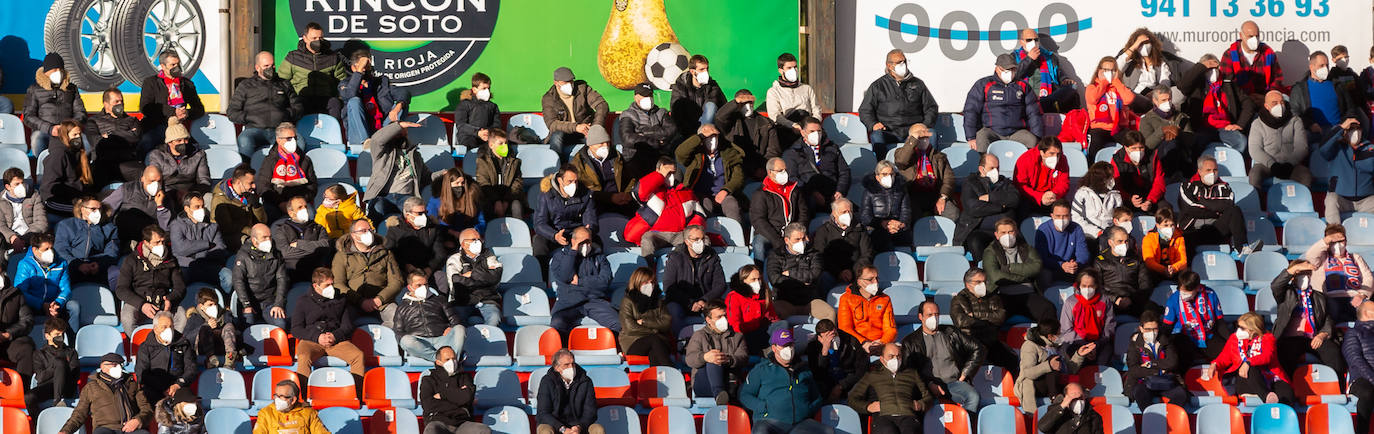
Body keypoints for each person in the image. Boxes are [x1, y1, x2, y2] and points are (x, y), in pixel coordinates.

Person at [739, 329, 831, 434]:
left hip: (800, 423)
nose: (788, 349)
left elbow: (816, 397)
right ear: (774, 348)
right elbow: (745, 395)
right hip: (770, 421)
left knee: (828, 431)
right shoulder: (762, 370)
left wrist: (808, 409)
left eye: (791, 345)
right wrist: (763, 407)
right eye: (784, 345)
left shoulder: (804, 369)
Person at [898, 301, 984, 409]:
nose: (934, 318)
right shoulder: (910, 341)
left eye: (936, 314)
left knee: (973, 396)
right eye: (929, 315)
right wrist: (928, 384)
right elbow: (908, 370)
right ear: (921, 317)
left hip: (954, 383)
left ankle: (965, 424)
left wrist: (965, 373)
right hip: (925, 386)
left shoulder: (951, 332)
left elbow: (978, 348)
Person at [1270, 259, 1346, 377]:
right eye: (1301, 274)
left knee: (1333, 352)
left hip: (1313, 337)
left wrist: (1322, 335)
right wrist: (1294, 268)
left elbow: (1327, 319)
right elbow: (1276, 285)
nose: (1305, 278)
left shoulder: (1318, 297)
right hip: (1290, 338)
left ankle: (1337, 387)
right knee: (1286, 355)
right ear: (1293, 276)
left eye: (1307, 275)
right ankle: (1288, 389)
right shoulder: (1286, 293)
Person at [858, 49, 938, 157]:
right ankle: (883, 169)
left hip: (913, 130)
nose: (903, 65)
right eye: (899, 62)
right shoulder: (877, 86)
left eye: (904, 61)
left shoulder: (918, 84)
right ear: (889, 65)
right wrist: (873, 124)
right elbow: (865, 110)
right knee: (876, 136)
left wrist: (924, 125)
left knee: (931, 134)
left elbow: (931, 107)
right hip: (888, 131)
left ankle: (927, 169)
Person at [1178, 155, 1263, 255]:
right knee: (1185, 241)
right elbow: (1190, 208)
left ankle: (1242, 249)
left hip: (1216, 230)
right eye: (1208, 170)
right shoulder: (1187, 187)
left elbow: (1229, 204)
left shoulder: (1224, 187)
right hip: (1193, 230)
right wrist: (1216, 210)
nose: (1212, 173)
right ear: (1200, 171)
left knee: (1234, 210)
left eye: (1215, 170)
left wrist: (1202, 201)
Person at [1206, 312, 1295, 404]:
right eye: (1238, 326)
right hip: (1247, 379)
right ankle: (1267, 397)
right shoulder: (1234, 339)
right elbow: (1224, 357)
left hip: (1272, 377)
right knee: (1249, 368)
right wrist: (1215, 364)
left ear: (1253, 330)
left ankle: (1284, 414)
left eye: (1242, 328)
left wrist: (1249, 362)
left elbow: (1267, 356)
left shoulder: (1268, 338)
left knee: (1287, 395)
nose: (1238, 330)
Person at [292, 267, 365, 378]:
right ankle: (302, 393)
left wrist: (335, 336)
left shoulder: (341, 300)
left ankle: (357, 393)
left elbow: (348, 326)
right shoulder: (303, 301)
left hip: (336, 341)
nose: (331, 288)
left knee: (358, 356)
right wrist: (317, 337)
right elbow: (296, 329)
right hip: (311, 341)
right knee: (303, 356)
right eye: (327, 285)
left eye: (332, 284)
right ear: (315, 285)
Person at [982, 217, 1057, 324]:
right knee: (992, 316)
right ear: (997, 235)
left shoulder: (1026, 248)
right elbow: (996, 277)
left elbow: (1037, 266)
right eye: (1003, 232)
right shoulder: (990, 251)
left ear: (1016, 232)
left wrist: (1009, 268)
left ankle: (1048, 338)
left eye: (1010, 231)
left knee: (1048, 308)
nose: (1007, 235)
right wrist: (1025, 277)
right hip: (1003, 295)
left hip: (1028, 293)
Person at [625, 158, 706, 255]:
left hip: (680, 234)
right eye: (668, 173)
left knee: (701, 241)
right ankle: (648, 268)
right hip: (656, 234)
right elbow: (639, 192)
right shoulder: (652, 191)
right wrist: (659, 176)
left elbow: (699, 214)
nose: (671, 177)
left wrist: (692, 231)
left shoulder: (686, 192)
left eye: (673, 173)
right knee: (647, 239)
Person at [228, 52, 303, 156]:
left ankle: (291, 171)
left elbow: (298, 107)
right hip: (254, 130)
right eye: (266, 66)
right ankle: (248, 170)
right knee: (244, 140)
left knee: (299, 142)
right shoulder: (246, 85)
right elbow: (232, 112)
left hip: (280, 130)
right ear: (257, 67)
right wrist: (250, 117)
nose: (270, 68)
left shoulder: (284, 84)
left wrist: (285, 115)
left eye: (272, 65)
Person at [847, 343, 934, 434]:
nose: (895, 360)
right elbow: (852, 399)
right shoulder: (872, 375)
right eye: (891, 356)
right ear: (882, 359)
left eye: (898, 356)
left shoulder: (912, 373)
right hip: (883, 416)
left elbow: (928, 397)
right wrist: (868, 407)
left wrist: (921, 404)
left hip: (908, 415)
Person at [57, 353, 152, 434]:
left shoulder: (131, 383)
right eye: (114, 365)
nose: (118, 367)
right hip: (105, 429)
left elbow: (147, 409)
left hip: (130, 428)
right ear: (103, 367)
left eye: (120, 364)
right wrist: (66, 431)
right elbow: (79, 414)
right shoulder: (91, 387)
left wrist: (138, 420)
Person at [331, 219, 402, 326]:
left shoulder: (386, 253)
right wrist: (360, 301)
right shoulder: (342, 256)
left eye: (370, 230)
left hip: (382, 302)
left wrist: (380, 299)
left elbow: (397, 281)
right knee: (342, 321)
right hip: (352, 302)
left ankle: (387, 340)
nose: (368, 233)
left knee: (398, 319)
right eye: (363, 230)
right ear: (353, 235)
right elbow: (338, 284)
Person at [116, 226, 185, 332]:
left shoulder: (171, 260)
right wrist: (142, 304)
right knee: (127, 318)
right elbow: (121, 289)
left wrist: (170, 299)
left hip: (162, 302)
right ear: (146, 243)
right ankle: (138, 345)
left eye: (163, 242)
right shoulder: (132, 260)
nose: (161, 246)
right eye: (156, 242)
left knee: (182, 317)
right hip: (138, 302)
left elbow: (180, 287)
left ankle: (172, 345)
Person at [1180, 54, 1256, 151]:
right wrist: (1202, 66)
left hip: (1225, 127)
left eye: (1215, 68)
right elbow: (1183, 86)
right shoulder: (1197, 84)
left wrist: (1240, 124)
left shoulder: (1228, 82)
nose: (1212, 71)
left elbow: (1248, 103)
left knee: (1241, 142)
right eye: (1209, 68)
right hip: (1203, 128)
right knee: (1195, 145)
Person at [550, 227, 619, 332]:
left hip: (594, 301)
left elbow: (604, 282)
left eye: (589, 241)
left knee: (618, 323)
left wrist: (579, 282)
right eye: (582, 242)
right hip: (569, 303)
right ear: (573, 241)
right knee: (557, 323)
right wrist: (573, 252)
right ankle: (563, 348)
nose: (586, 245)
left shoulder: (600, 257)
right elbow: (565, 277)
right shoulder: (560, 257)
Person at [360, 121, 431, 219]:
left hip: (406, 197)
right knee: (377, 208)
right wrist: (400, 125)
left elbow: (427, 177)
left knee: (416, 213)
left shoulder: (415, 155)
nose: (401, 135)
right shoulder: (382, 152)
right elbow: (376, 140)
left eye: (404, 133)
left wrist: (444, 174)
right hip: (383, 196)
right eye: (398, 133)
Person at [1302, 224, 1373, 323]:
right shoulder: (1322, 258)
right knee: (1331, 309)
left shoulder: (1355, 257)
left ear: (1346, 241)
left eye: (1341, 241)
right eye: (1333, 242)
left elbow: (1368, 278)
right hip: (1329, 298)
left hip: (1355, 296)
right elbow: (1310, 255)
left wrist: (1362, 295)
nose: (1338, 244)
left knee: (1368, 309)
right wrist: (1326, 240)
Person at [662, 225, 726, 333]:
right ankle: (677, 344)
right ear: (687, 241)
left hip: (706, 301)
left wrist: (704, 300)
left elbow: (720, 284)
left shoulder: (712, 257)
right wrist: (690, 303)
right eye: (696, 239)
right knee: (672, 310)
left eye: (702, 239)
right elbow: (669, 287)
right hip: (682, 302)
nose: (700, 242)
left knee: (721, 311)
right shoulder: (675, 258)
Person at [1016, 320, 1090, 413]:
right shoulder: (1030, 345)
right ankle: (1054, 397)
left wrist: (1079, 355)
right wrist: (1048, 366)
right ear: (1050, 336)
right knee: (1053, 360)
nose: (1061, 336)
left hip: (1055, 382)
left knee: (1055, 362)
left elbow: (1070, 370)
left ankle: (1064, 398)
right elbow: (1027, 373)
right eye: (1059, 333)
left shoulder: (1057, 347)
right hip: (1036, 385)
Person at [767, 223, 835, 323]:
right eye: (797, 239)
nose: (801, 242)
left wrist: (790, 273)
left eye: (803, 239)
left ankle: (829, 338)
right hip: (785, 300)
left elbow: (815, 275)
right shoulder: (776, 255)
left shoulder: (814, 254)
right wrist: (803, 282)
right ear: (787, 240)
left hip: (810, 301)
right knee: (773, 314)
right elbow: (775, 279)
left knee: (830, 313)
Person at [139, 51, 205, 153]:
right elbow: (145, 108)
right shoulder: (151, 82)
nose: (176, 67)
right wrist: (173, 112)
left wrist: (186, 113)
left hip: (180, 126)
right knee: (146, 143)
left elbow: (199, 109)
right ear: (163, 66)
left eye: (178, 64)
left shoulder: (187, 84)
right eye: (173, 65)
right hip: (159, 125)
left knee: (196, 150)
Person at [340, 50, 408, 148]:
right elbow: (350, 94)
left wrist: (398, 106)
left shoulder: (381, 83)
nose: (366, 70)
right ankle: (366, 141)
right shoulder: (345, 84)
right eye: (363, 67)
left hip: (382, 129)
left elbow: (403, 92)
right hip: (358, 135)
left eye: (368, 66)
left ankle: (395, 139)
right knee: (354, 101)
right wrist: (359, 72)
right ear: (353, 68)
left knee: (403, 103)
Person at [677, 124, 744, 222]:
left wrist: (726, 190)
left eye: (714, 136)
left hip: (724, 194)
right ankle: (708, 235)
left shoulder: (728, 152)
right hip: (702, 195)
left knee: (732, 205)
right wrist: (700, 136)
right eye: (707, 137)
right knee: (705, 206)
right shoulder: (695, 155)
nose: (712, 140)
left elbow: (738, 177)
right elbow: (680, 153)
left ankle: (737, 234)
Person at [393, 270, 464, 362]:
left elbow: (455, 320)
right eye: (419, 285)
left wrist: (451, 327)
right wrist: (412, 339)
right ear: (410, 287)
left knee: (460, 329)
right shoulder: (402, 307)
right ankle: (440, 360)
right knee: (406, 340)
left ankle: (454, 360)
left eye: (425, 285)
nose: (424, 288)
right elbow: (398, 332)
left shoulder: (439, 300)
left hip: (442, 339)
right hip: (420, 343)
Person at [952, 268, 1015, 370]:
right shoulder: (959, 299)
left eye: (984, 281)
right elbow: (960, 321)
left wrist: (974, 315)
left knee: (1011, 360)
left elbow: (1000, 317)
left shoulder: (993, 297)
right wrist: (988, 320)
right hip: (969, 341)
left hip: (990, 340)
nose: (983, 285)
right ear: (968, 284)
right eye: (978, 282)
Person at [279, 22, 346, 118]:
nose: (318, 41)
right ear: (305, 38)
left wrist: (340, 95)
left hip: (325, 97)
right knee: (296, 107)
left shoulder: (332, 57)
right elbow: (282, 81)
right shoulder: (293, 57)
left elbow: (342, 81)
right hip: (301, 97)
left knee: (335, 103)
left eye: (320, 38)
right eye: (314, 38)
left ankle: (333, 130)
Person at [24, 54, 87, 157]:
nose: (58, 73)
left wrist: (69, 128)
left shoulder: (71, 88)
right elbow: (28, 116)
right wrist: (49, 128)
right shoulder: (34, 89)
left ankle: (82, 170)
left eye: (60, 69)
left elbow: (81, 112)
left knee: (86, 141)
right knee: (37, 138)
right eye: (54, 70)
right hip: (45, 132)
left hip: (68, 131)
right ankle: (43, 168)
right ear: (46, 72)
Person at [687, 300, 749, 405]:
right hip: (704, 384)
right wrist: (705, 357)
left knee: (716, 359)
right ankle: (719, 394)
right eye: (719, 317)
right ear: (708, 320)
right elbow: (690, 359)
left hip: (729, 382)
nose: (723, 320)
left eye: (724, 316)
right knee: (713, 359)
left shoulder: (737, 336)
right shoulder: (699, 336)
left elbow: (743, 357)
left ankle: (721, 395)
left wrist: (728, 359)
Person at [956, 154, 1019, 255]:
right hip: (979, 230)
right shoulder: (971, 182)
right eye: (992, 168)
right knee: (975, 241)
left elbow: (1014, 199)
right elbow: (973, 207)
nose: (996, 171)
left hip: (1005, 232)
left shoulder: (1005, 183)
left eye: (997, 168)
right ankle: (981, 268)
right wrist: (1001, 207)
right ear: (981, 169)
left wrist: (990, 198)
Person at [1162, 271, 1229, 364]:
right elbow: (1167, 327)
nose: (1183, 295)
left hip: (1208, 335)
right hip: (1185, 337)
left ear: (1197, 288)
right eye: (1182, 291)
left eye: (1187, 292)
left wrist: (1231, 341)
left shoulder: (1210, 294)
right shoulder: (1174, 299)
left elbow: (1220, 322)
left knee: (1227, 354)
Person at [1249, 90, 1312, 189]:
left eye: (1281, 102)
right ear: (1266, 106)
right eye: (1274, 103)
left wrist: (1290, 164)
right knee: (1254, 175)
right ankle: (1257, 202)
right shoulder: (1257, 124)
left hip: (1291, 165)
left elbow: (1302, 147)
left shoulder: (1295, 120)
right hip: (1266, 165)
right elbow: (1255, 149)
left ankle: (1301, 202)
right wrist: (1272, 164)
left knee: (1305, 175)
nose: (1279, 105)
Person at [893, 124, 958, 220]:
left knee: (953, 213)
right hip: (913, 195)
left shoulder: (939, 156)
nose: (924, 139)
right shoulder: (901, 153)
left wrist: (943, 197)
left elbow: (949, 179)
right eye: (920, 136)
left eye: (926, 137)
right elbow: (901, 161)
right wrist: (914, 139)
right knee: (912, 215)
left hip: (935, 194)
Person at [783, 117, 851, 209]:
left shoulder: (832, 148)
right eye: (812, 131)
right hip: (807, 200)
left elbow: (844, 172)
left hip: (832, 197)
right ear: (803, 133)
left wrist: (840, 191)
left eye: (819, 131)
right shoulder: (792, 152)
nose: (816, 134)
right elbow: (792, 178)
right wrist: (812, 193)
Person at [419, 346, 490, 434]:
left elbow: (467, 397)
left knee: (483, 430)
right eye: (447, 359)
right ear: (438, 362)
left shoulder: (465, 377)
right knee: (431, 430)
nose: (452, 362)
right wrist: (458, 400)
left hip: (462, 423)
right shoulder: (428, 380)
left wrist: (442, 395)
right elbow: (428, 405)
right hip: (439, 422)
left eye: (454, 358)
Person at [566, 125, 634, 215]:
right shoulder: (579, 162)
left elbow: (630, 178)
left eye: (607, 143)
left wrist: (627, 194)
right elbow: (584, 190)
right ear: (590, 145)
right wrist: (611, 197)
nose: (605, 146)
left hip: (621, 201)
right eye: (601, 143)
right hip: (595, 204)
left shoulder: (616, 157)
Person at [1124, 311, 1187, 406]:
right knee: (1140, 394)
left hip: (1166, 380)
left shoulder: (1165, 340)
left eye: (1155, 329)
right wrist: (1158, 371)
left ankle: (1169, 416)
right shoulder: (1135, 344)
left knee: (1181, 395)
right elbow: (1134, 369)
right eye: (1148, 329)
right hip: (1144, 381)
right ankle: (1150, 417)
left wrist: (1151, 364)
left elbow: (1172, 362)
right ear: (1141, 328)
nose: (1152, 332)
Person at [1292, 51, 1360, 140]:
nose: (1325, 68)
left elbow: (1350, 108)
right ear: (1312, 67)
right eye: (1321, 65)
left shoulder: (1338, 85)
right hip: (1313, 135)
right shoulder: (1299, 89)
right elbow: (1294, 112)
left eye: (1327, 65)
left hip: (1339, 131)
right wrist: (1309, 124)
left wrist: (1346, 123)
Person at [534, 165, 598, 257]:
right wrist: (554, 235)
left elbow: (591, 219)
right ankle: (542, 270)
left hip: (577, 234)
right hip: (555, 234)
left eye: (575, 181)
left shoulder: (586, 194)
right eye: (570, 181)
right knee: (539, 241)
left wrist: (588, 231)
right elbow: (539, 223)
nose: (574, 185)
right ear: (560, 180)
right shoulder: (546, 195)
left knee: (597, 243)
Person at [232, 224, 289, 328]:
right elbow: (238, 281)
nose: (269, 240)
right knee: (248, 327)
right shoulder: (243, 255)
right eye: (264, 237)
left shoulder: (276, 254)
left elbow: (282, 279)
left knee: (281, 325)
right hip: (250, 301)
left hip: (269, 301)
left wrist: (278, 304)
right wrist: (246, 305)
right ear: (254, 241)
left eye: (270, 237)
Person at [715, 89, 783, 176]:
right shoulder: (731, 121)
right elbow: (719, 117)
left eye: (750, 102)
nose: (747, 105)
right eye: (743, 103)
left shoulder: (767, 123)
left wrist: (763, 167)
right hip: (737, 168)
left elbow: (773, 150)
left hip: (759, 169)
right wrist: (735, 102)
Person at [443, 228, 503, 326]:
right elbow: (456, 282)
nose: (478, 242)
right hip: (462, 302)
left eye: (479, 239)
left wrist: (471, 275)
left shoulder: (489, 256)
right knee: (458, 323)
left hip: (487, 300)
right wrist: (484, 277)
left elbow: (495, 277)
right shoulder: (454, 259)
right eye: (474, 240)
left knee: (494, 318)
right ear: (463, 244)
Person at [751, 158, 809, 257]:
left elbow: (803, 213)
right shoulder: (761, 194)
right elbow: (759, 221)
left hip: (793, 231)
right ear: (770, 173)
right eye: (780, 171)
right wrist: (777, 240)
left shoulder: (794, 189)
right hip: (770, 233)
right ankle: (759, 270)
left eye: (785, 170)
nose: (784, 173)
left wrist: (798, 232)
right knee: (758, 245)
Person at [255, 123, 317, 217]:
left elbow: (312, 186)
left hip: (300, 203)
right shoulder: (270, 160)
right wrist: (280, 203)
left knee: (310, 215)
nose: (293, 141)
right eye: (288, 138)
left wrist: (298, 202)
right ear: (278, 140)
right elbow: (263, 186)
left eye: (294, 138)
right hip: (276, 203)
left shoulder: (305, 160)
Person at [536, 350, 604, 434]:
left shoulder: (586, 381)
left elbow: (591, 412)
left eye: (573, 364)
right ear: (557, 368)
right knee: (545, 431)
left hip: (579, 426)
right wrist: (562, 429)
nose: (571, 367)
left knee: (598, 429)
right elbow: (543, 413)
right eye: (566, 365)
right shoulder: (547, 381)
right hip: (554, 425)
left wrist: (579, 427)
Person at [1012, 28, 1079, 114]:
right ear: (1021, 42)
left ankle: (1074, 122)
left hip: (1047, 98)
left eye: (1035, 40)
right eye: (1029, 40)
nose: (1033, 43)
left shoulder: (1049, 57)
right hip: (1025, 99)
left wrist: (1064, 80)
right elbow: (1013, 77)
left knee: (1072, 87)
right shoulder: (1014, 56)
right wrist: (1029, 59)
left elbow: (1058, 73)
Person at [84, 88, 143, 186]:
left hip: (126, 162)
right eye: (116, 101)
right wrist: (125, 135)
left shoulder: (132, 120)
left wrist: (109, 135)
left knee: (145, 173)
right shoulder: (93, 121)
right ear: (106, 104)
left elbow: (135, 137)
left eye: (121, 101)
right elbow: (97, 142)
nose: (120, 104)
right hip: (104, 163)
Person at [1139, 85, 1197, 183]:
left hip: (1182, 159)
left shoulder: (1181, 117)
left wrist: (1179, 134)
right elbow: (1147, 145)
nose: (1167, 103)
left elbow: (1191, 141)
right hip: (1160, 160)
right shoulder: (1147, 119)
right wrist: (1162, 131)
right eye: (1163, 100)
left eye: (1169, 99)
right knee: (1170, 145)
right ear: (1155, 101)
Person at [53, 196, 119, 283]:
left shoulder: (109, 227)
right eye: (93, 209)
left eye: (99, 209)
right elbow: (60, 249)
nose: (97, 212)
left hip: (98, 265)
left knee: (116, 274)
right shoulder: (66, 225)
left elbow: (112, 250)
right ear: (82, 209)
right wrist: (77, 265)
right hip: (72, 265)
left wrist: (100, 264)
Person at [134, 311, 196, 403]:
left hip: (178, 386)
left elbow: (191, 368)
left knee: (188, 402)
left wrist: (178, 384)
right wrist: (163, 388)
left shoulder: (183, 343)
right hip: (154, 387)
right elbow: (142, 373)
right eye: (164, 327)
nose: (169, 330)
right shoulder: (146, 347)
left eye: (171, 327)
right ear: (155, 329)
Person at [1319, 119, 1374, 223]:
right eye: (1351, 129)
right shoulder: (1335, 148)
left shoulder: (1370, 148)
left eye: (1357, 129)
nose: (1354, 132)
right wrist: (1341, 128)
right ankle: (1335, 234)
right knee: (1331, 199)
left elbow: (1370, 165)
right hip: (1342, 199)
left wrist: (1357, 152)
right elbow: (1323, 149)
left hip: (1366, 200)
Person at [1092, 226, 1152, 317]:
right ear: (1110, 242)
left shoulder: (1136, 259)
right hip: (1109, 302)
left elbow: (1145, 285)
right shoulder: (1100, 261)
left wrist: (1131, 299)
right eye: (1120, 241)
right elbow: (1098, 287)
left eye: (1126, 241)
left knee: (1152, 312)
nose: (1124, 244)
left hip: (1134, 301)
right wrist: (1115, 299)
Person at [1057, 270, 1115, 364]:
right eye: (1084, 286)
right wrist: (1084, 346)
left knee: (1103, 360)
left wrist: (1096, 344)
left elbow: (1109, 326)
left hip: (1099, 342)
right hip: (1076, 342)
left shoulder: (1105, 301)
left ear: (1096, 286)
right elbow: (1066, 330)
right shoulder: (1070, 302)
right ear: (1079, 285)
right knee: (1075, 359)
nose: (1087, 289)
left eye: (1091, 286)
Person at [1084, 56, 1138, 156]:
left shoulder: (1119, 87)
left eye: (1112, 70)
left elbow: (1129, 99)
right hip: (1100, 128)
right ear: (1099, 71)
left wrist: (1116, 81)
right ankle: (1092, 169)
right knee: (1095, 147)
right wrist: (1104, 82)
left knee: (1134, 144)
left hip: (1119, 128)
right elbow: (1092, 99)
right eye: (1105, 70)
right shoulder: (1092, 87)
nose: (1109, 73)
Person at [804, 319, 868, 404]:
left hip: (848, 381)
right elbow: (817, 374)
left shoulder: (851, 342)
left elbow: (861, 369)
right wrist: (824, 352)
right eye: (828, 336)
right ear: (820, 338)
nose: (833, 338)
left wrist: (841, 385)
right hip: (825, 383)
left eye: (835, 334)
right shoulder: (813, 347)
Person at [812, 198, 873, 287]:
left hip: (856, 273)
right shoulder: (823, 230)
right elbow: (820, 255)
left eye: (850, 211)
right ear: (834, 213)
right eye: (844, 212)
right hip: (832, 272)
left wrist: (853, 271)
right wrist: (838, 272)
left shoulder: (860, 229)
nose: (848, 215)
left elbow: (867, 253)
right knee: (823, 277)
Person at [103, 165, 172, 244]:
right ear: (143, 179)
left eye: (159, 181)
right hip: (122, 236)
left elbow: (166, 228)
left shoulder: (165, 197)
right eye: (152, 181)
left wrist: (161, 207)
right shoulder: (127, 189)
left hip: (146, 241)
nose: (156, 185)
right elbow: (107, 208)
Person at [619, 267, 673, 366]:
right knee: (654, 340)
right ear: (637, 282)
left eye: (652, 282)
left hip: (658, 342)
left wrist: (644, 322)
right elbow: (630, 328)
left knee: (654, 353)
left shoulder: (659, 301)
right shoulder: (628, 301)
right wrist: (654, 331)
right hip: (634, 341)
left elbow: (667, 322)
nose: (650, 285)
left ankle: (658, 380)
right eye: (645, 282)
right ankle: (672, 372)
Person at [272, 196, 334, 282]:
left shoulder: (318, 228)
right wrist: (315, 251)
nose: (304, 209)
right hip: (292, 274)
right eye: (300, 207)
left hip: (317, 274)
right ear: (291, 213)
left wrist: (299, 244)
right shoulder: (281, 230)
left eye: (306, 206)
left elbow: (326, 246)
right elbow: (285, 253)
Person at [836, 265, 896, 355]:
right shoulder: (846, 298)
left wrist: (881, 342)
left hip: (880, 344)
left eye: (877, 278)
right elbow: (845, 328)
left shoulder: (885, 299)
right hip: (856, 344)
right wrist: (864, 342)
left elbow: (891, 329)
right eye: (870, 279)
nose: (875, 282)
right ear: (859, 282)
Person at [543, 67, 609, 148]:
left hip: (585, 131)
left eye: (571, 81)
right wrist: (576, 127)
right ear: (556, 83)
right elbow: (552, 124)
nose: (570, 85)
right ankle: (558, 160)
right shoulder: (549, 98)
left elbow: (602, 105)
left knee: (598, 142)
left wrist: (595, 127)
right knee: (556, 137)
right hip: (564, 133)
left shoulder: (582, 89)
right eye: (565, 82)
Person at [621, 82, 679, 173]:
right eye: (644, 95)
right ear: (636, 97)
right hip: (636, 157)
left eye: (650, 95)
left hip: (660, 156)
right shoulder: (628, 115)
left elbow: (671, 130)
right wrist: (655, 142)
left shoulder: (661, 112)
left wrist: (643, 132)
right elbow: (627, 138)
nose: (648, 98)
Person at [384, 196, 449, 278]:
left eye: (425, 212)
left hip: (427, 269)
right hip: (404, 271)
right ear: (408, 215)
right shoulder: (395, 229)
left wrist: (429, 268)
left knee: (442, 278)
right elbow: (390, 252)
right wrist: (405, 265)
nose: (424, 216)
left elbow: (440, 253)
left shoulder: (433, 228)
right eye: (420, 213)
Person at [1117, 28, 1179, 112]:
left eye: (1146, 43)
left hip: (1153, 97)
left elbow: (1165, 82)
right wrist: (1135, 45)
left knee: (1177, 93)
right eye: (1141, 43)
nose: (1144, 46)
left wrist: (1155, 93)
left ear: (1152, 44)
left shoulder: (1161, 63)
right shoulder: (1130, 61)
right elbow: (1117, 67)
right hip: (1133, 97)